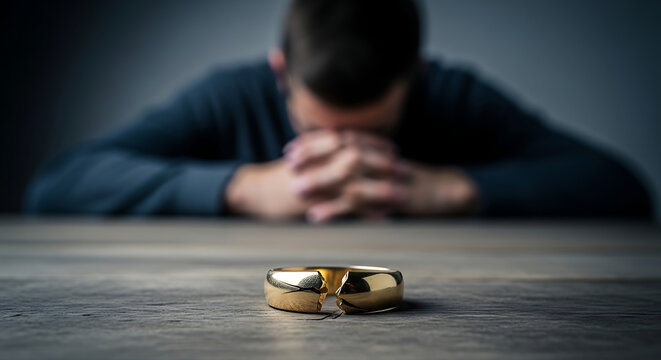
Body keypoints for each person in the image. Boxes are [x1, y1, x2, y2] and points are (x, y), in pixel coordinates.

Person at [24, 0, 652, 221]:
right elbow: (57, 184)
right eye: (316, 132)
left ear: (416, 77)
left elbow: (622, 188)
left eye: (372, 133)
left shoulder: (454, 96)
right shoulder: (232, 94)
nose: (344, 159)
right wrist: (240, 189)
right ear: (280, 74)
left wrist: (454, 190)